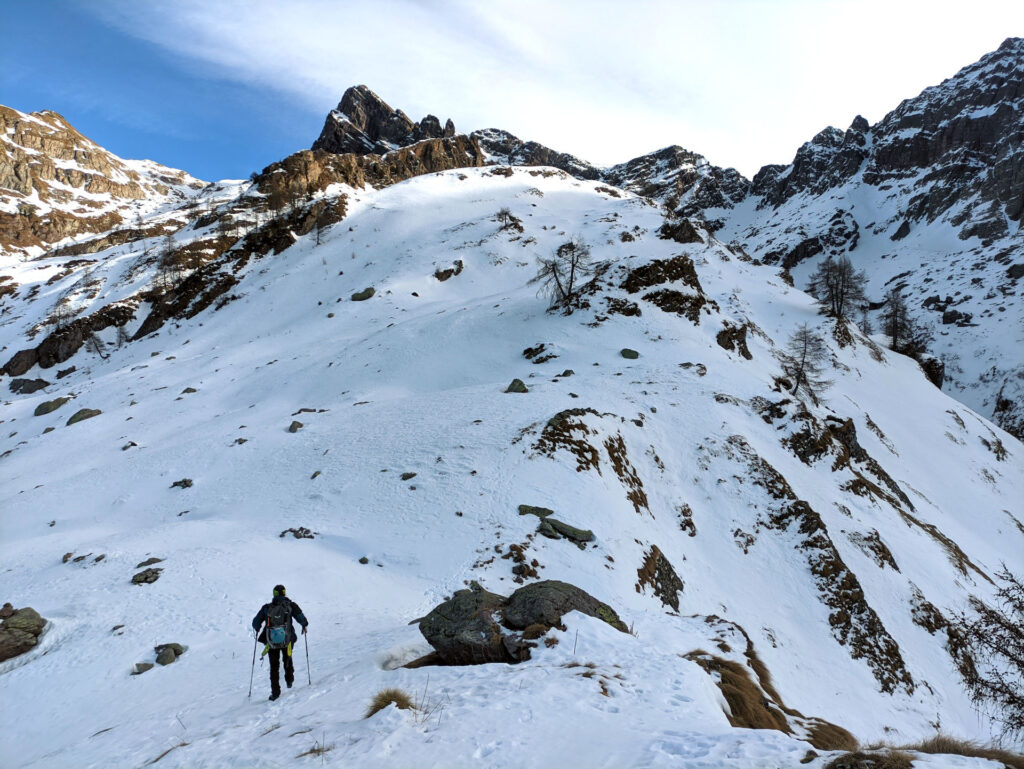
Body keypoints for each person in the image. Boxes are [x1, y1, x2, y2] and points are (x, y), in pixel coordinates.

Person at [251, 584, 308, 701]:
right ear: (284, 593)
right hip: (287, 640)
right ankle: (289, 679)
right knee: (288, 658)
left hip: (271, 642)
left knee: (274, 667)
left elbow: (255, 623)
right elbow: (301, 618)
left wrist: (257, 628)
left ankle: (275, 693)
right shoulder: (291, 605)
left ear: (274, 594)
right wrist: (304, 625)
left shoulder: (267, 608)